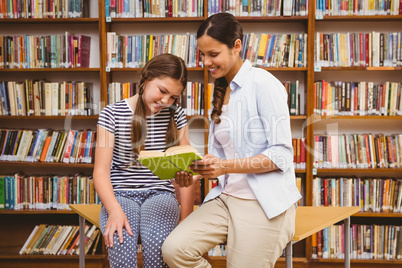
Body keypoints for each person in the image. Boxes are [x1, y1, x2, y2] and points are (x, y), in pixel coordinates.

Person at [162, 13, 302, 268]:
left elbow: (281, 155)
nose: (206, 62)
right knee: (174, 250)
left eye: (213, 54)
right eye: (203, 55)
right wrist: (193, 174)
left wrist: (225, 167)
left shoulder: (263, 84)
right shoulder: (220, 90)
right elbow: (219, 161)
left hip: (262, 203)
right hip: (226, 198)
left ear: (236, 46)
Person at [93, 53, 195, 268]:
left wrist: (185, 219)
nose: (166, 101)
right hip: (120, 195)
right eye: (162, 91)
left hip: (161, 194)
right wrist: (114, 210)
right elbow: (101, 172)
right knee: (120, 240)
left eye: (174, 97)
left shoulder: (175, 115)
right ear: (146, 78)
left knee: (159, 244)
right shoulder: (112, 114)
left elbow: (186, 173)